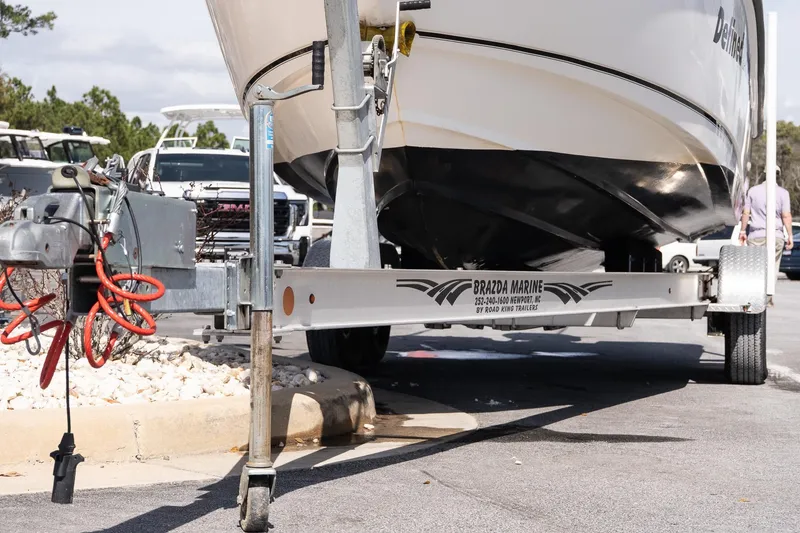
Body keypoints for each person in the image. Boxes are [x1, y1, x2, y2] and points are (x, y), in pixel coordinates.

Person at [739, 167, 793, 305]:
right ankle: (767, 298)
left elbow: (746, 213)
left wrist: (743, 231)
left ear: (764, 174)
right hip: (776, 235)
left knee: (755, 267)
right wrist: (790, 236)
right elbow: (786, 215)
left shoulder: (753, 191)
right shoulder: (783, 193)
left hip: (756, 234)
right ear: (778, 175)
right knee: (772, 267)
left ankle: (753, 297)